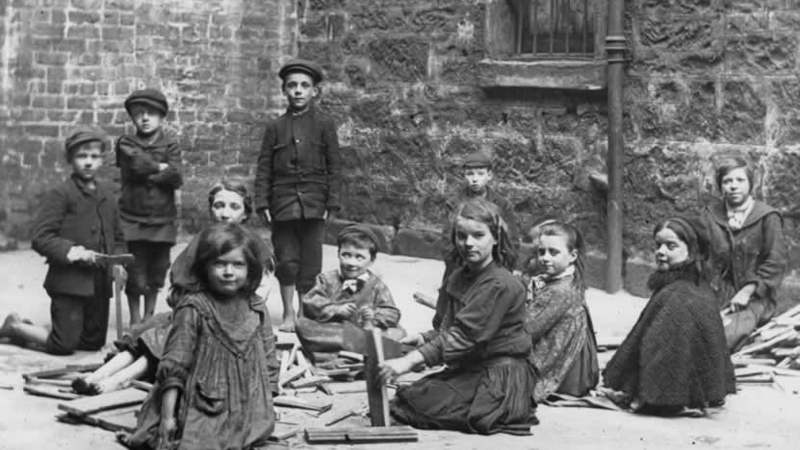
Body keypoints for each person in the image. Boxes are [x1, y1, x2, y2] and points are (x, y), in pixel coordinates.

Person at [73, 180, 273, 395]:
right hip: (195, 308)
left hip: (230, 318)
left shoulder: (251, 245)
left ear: (245, 214)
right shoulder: (205, 239)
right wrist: (188, 303)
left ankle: (117, 381)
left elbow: (260, 290)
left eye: (234, 207)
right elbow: (180, 275)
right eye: (219, 205)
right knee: (153, 327)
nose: (225, 214)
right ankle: (97, 375)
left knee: (168, 337)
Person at [379, 198, 537, 435]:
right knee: (410, 396)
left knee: (416, 406)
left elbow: (465, 335)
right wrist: (421, 339)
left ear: (495, 238)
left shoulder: (501, 284)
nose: (468, 243)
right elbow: (448, 328)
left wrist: (408, 361)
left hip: (500, 374)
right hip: (472, 365)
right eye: (461, 236)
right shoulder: (458, 277)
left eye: (478, 235)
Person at [123, 223, 279, 450]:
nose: (229, 272)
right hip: (203, 405)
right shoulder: (194, 307)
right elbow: (175, 365)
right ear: (204, 267)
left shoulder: (255, 306)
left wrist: (269, 403)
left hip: (249, 410)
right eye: (220, 263)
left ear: (250, 269)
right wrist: (167, 418)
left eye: (238, 265)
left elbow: (269, 358)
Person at [0, 127, 127, 355]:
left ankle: (60, 328)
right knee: (64, 345)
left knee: (91, 344)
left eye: (94, 157)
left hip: (98, 283)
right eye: (81, 156)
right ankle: (16, 327)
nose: (88, 162)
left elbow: (117, 236)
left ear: (102, 160)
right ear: (71, 159)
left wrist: (118, 262)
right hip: (69, 281)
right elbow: (41, 237)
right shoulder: (62, 194)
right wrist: (71, 251)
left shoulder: (108, 195)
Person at [603, 217, 736, 417]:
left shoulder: (681, 296)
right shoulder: (685, 285)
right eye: (658, 245)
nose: (661, 252)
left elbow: (661, 350)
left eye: (671, 246)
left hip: (672, 392)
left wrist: (649, 396)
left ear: (691, 251)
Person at [254, 58, 342, 332]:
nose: (298, 91)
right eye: (292, 86)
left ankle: (305, 312)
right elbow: (264, 167)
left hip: (314, 203)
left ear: (315, 91)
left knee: (310, 262)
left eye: (305, 85)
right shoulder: (275, 127)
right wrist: (262, 202)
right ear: (284, 90)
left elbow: (336, 166)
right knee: (287, 261)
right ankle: (289, 313)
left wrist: (333, 202)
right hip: (282, 203)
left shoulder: (325, 125)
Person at [701, 156, 787, 350]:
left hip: (753, 297)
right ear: (720, 186)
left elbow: (776, 262)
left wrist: (747, 291)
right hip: (716, 293)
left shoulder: (768, 217)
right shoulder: (709, 215)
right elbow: (700, 254)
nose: (733, 186)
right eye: (727, 181)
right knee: (686, 329)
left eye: (740, 180)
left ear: (751, 184)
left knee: (722, 339)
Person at [116, 88, 183, 326]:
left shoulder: (171, 144)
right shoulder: (126, 142)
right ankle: (135, 321)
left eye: (151, 113)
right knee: (136, 273)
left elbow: (176, 177)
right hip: (132, 218)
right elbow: (135, 165)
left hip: (162, 220)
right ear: (132, 117)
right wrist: (160, 168)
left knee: (157, 270)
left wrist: (151, 171)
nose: (145, 118)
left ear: (161, 117)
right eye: (138, 113)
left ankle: (149, 317)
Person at [295, 224, 404, 358]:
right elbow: (310, 304)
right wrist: (336, 309)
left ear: (372, 260)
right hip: (335, 330)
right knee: (302, 326)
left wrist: (374, 315)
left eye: (359, 257)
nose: (351, 263)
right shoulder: (326, 279)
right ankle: (374, 348)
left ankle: (356, 347)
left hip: (366, 330)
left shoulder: (377, 285)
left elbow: (392, 312)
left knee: (399, 332)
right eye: (346, 255)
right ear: (338, 254)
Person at [524, 221, 598, 401]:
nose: (545, 258)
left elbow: (528, 329)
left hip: (567, 373)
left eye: (553, 252)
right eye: (541, 252)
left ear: (572, 255)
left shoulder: (560, 290)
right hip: (571, 360)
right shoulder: (566, 280)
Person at [440, 150, 518, 282]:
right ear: (464, 176)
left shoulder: (502, 205)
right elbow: (448, 241)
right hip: (462, 265)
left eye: (480, 174)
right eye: (470, 174)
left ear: (490, 175)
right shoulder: (454, 204)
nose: (475, 179)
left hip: (492, 266)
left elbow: (512, 242)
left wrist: (503, 268)